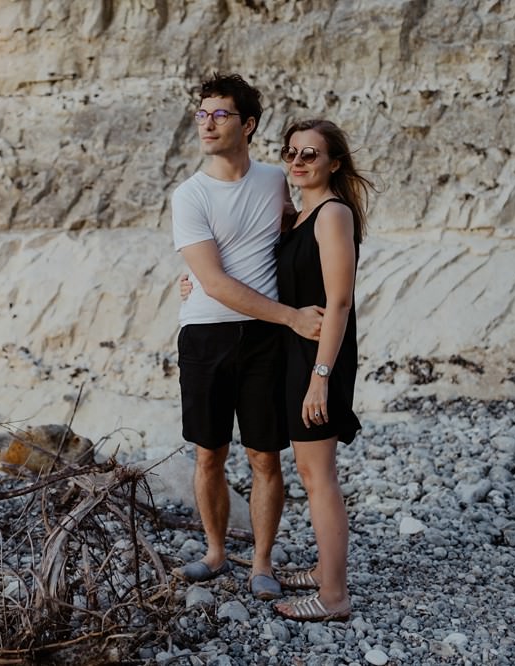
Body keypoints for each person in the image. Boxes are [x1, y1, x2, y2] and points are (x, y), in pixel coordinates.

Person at [184, 119, 372, 622]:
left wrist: (321, 378)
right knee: (312, 472)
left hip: (319, 356)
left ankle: (334, 596)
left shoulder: (332, 214)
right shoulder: (302, 211)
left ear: (335, 162)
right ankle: (323, 570)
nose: (297, 162)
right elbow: (247, 259)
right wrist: (195, 283)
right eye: (291, 153)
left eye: (311, 155)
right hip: (296, 352)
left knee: (319, 477)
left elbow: (339, 304)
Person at [170, 72, 324, 601]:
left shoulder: (275, 181)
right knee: (209, 453)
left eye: (220, 115)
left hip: (262, 339)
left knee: (264, 456)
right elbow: (212, 281)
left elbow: (305, 225)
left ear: (248, 124)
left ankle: (261, 561)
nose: (208, 124)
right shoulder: (188, 195)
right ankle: (214, 554)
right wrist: (292, 317)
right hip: (206, 335)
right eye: (202, 114)